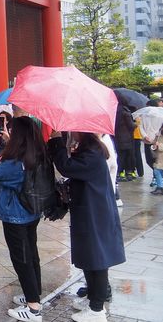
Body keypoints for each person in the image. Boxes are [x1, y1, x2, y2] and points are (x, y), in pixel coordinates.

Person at [49, 131, 125, 322]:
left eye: (73, 130)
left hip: (96, 214)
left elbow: (66, 167)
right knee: (90, 258)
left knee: (97, 260)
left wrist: (57, 141)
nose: (71, 132)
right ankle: (93, 298)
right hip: (91, 211)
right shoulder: (90, 150)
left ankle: (97, 310)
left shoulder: (92, 154)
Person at [0, 117, 46, 322]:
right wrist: (10, 144)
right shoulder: (36, 153)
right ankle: (34, 293)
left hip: (15, 214)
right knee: (31, 253)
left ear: (19, 136)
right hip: (31, 211)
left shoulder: (16, 162)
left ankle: (33, 308)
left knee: (22, 259)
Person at [112, 104, 136, 181]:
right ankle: (128, 173)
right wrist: (136, 123)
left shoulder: (114, 111)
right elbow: (131, 126)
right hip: (126, 138)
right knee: (127, 156)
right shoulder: (125, 112)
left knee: (120, 156)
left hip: (117, 137)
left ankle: (119, 173)